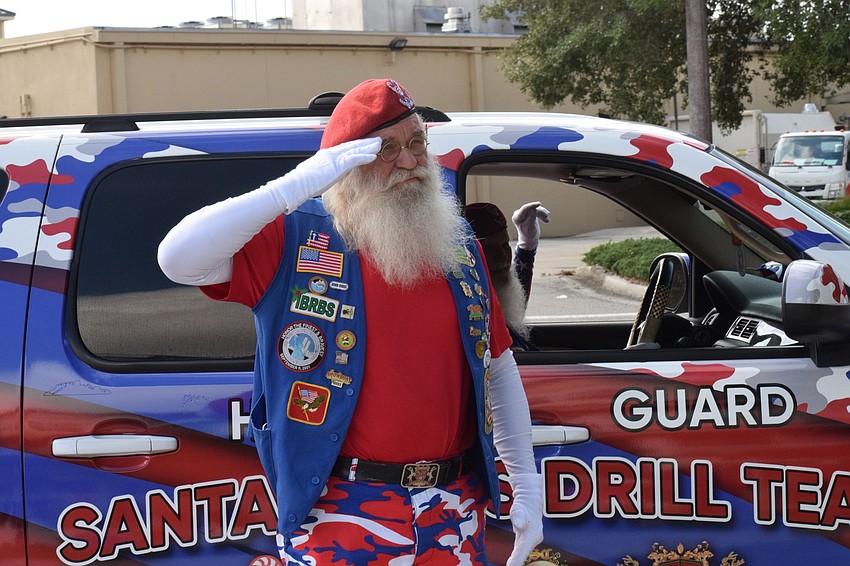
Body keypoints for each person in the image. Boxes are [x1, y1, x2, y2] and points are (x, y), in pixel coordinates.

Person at [158, 78, 543, 565]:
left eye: (416, 142)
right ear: (349, 161)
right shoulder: (296, 239)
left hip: (455, 508)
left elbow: (499, 367)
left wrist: (526, 484)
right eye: (385, 149)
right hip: (340, 512)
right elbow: (177, 258)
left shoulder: (456, 244)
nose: (408, 161)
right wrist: (295, 185)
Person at [466, 201, 550, 350]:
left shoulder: (492, 295)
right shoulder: (470, 312)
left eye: (505, 245)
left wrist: (527, 245)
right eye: (489, 249)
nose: (502, 256)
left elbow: (512, 294)